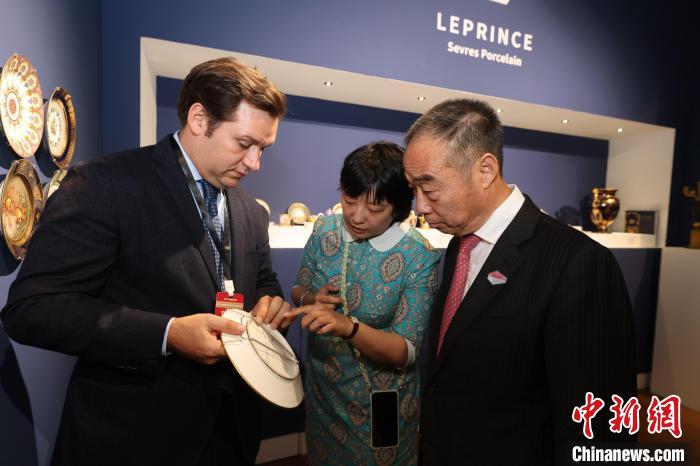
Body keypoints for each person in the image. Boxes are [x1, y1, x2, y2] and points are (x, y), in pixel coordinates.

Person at [1, 57, 294, 466]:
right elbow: (31, 310)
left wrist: (270, 302)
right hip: (130, 440)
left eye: (263, 149)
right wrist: (168, 334)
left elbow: (263, 281)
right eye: (245, 144)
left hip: (230, 435)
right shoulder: (104, 184)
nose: (255, 163)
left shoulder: (251, 211)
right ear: (199, 119)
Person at [402, 99, 637, 465]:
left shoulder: (578, 262)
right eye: (413, 189)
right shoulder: (458, 244)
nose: (420, 206)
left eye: (429, 189)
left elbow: (598, 427)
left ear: (485, 170)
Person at [287, 142, 441, 465]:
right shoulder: (325, 231)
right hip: (324, 394)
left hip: (382, 402)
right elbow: (298, 289)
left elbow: (406, 351)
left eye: (375, 208)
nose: (356, 216)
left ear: (397, 208)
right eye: (349, 200)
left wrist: (349, 327)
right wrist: (311, 299)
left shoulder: (417, 255)